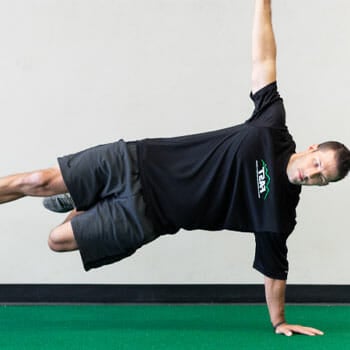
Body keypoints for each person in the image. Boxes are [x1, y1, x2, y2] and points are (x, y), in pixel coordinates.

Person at [1, 0, 349, 336]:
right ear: (311, 148)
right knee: (39, 180)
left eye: (322, 178)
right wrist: (264, 2)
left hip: (145, 217)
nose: (312, 174)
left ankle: (85, 201)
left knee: (57, 240)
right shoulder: (271, 126)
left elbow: (275, 272)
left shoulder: (279, 214)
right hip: (134, 162)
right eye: (317, 164)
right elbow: (264, 58)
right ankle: (84, 193)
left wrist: (279, 322)